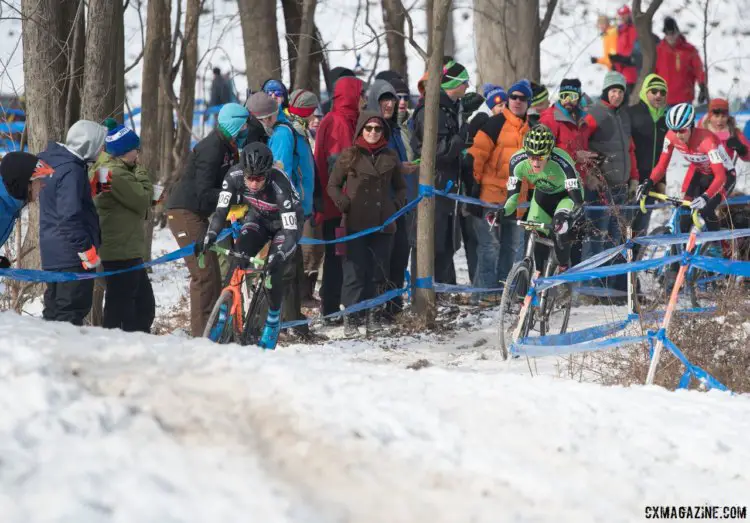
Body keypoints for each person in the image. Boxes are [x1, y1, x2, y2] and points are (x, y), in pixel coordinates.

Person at [196, 142, 303, 350]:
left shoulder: (279, 185)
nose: (253, 184)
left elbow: (290, 234)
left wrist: (279, 256)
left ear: (268, 175)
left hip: (286, 225)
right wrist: (209, 236)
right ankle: (223, 316)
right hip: (259, 218)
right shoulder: (233, 176)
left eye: (259, 179)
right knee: (238, 257)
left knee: (274, 268)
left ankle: (272, 319)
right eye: (249, 178)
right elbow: (220, 213)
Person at [166, 102, 252, 336]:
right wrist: (236, 196)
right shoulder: (212, 147)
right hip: (184, 213)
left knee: (213, 274)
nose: (246, 129)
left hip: (198, 214)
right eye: (244, 124)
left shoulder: (228, 147)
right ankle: (201, 335)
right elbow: (205, 192)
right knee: (203, 276)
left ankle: (215, 330)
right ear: (234, 124)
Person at [328, 111, 407, 336]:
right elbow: (333, 185)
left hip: (383, 225)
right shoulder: (349, 155)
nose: (373, 132)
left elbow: (401, 186)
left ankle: (374, 315)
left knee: (378, 272)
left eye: (378, 129)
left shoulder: (390, 156)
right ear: (361, 130)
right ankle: (351, 317)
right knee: (354, 272)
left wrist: (395, 204)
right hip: (354, 223)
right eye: (369, 128)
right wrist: (343, 203)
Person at [38, 120, 108, 325]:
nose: (103, 150)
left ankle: (48, 354)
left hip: (53, 252)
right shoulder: (72, 170)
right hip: (71, 255)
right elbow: (69, 216)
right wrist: (86, 250)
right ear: (90, 144)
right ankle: (62, 356)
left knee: (54, 311)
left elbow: (65, 204)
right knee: (69, 313)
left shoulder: (56, 163)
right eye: (101, 145)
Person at [468, 79, 531, 299]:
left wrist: (532, 193)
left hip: (518, 200)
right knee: (490, 247)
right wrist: (473, 189)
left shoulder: (530, 130)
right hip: (490, 199)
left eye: (522, 98)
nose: (517, 101)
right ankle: (483, 294)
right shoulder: (494, 124)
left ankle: (504, 295)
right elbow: (476, 156)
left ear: (528, 103)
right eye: (513, 97)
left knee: (512, 248)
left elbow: (534, 166)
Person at [410, 59, 469, 286]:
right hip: (432, 185)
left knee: (446, 244)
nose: (467, 87)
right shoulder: (431, 110)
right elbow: (434, 151)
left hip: (447, 187)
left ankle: (445, 292)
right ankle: (424, 296)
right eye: (464, 82)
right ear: (452, 83)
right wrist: (460, 138)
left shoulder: (450, 109)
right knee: (428, 245)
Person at [492, 125, 584, 271]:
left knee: (559, 229)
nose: (535, 162)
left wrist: (569, 218)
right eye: (531, 157)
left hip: (566, 197)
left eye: (541, 157)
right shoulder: (517, 162)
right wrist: (502, 212)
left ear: (549, 153)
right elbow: (512, 199)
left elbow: (578, 202)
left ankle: (563, 270)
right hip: (542, 197)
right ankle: (536, 276)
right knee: (534, 233)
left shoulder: (563, 162)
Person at [636, 103, 734, 232]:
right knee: (684, 214)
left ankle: (717, 247)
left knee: (706, 209)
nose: (678, 135)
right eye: (674, 130)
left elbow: (720, 176)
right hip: (701, 173)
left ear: (691, 126)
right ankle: (686, 250)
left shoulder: (707, 141)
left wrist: (705, 197)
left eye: (682, 130)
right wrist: (649, 182)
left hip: (725, 176)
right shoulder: (670, 137)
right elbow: (661, 166)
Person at [94, 125, 155, 333]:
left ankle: (128, 347)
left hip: (116, 247)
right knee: (130, 309)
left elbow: (105, 201)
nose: (138, 153)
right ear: (124, 151)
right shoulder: (117, 174)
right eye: (135, 149)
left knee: (130, 305)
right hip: (121, 250)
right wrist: (140, 171)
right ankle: (121, 351)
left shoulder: (102, 169)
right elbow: (142, 200)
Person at [583, 71, 640, 294]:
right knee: (597, 237)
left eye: (620, 91)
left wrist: (634, 177)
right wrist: (589, 175)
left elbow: (630, 149)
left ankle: (608, 288)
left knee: (615, 238)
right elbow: (581, 144)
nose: (616, 95)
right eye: (613, 91)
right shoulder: (594, 113)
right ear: (606, 91)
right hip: (600, 187)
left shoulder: (623, 116)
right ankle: (590, 288)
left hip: (621, 186)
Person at [313, 75, 364, 319]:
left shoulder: (344, 119)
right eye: (360, 93)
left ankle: (334, 305)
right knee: (337, 258)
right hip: (338, 205)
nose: (363, 99)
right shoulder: (339, 122)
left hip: (336, 202)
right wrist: (347, 203)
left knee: (339, 256)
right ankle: (332, 308)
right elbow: (340, 164)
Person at [367, 79, 416, 319]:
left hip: (401, 203)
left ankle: (394, 307)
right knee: (380, 260)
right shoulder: (372, 130)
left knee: (400, 254)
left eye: (392, 100)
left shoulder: (395, 129)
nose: (388, 104)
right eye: (384, 99)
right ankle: (376, 310)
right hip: (380, 206)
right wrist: (399, 168)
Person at [287, 89, 324, 308]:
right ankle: (298, 300)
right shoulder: (290, 133)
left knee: (310, 252)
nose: (315, 119)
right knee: (301, 253)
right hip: (295, 204)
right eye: (312, 113)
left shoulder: (301, 132)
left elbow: (310, 172)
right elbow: (285, 170)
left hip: (306, 202)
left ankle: (304, 296)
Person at [628, 74, 670, 241]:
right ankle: (618, 264)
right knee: (624, 227)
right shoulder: (631, 114)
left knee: (641, 229)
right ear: (645, 92)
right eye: (654, 91)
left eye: (662, 92)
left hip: (652, 181)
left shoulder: (666, 119)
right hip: (631, 181)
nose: (658, 95)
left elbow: (665, 153)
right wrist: (630, 178)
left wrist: (662, 180)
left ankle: (636, 264)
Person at [0, 152, 54, 268]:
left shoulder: (9, 205)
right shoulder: (2, 206)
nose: (43, 185)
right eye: (38, 180)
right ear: (26, 184)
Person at [655, 17, 707, 106]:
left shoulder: (689, 50)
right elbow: (653, 72)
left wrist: (702, 87)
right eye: (667, 33)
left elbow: (698, 69)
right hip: (663, 100)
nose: (670, 36)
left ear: (677, 32)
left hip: (684, 99)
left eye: (672, 33)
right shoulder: (658, 50)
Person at [698, 98, 750, 165]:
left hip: (725, 171)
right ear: (709, 117)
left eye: (723, 116)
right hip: (703, 171)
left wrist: (742, 149)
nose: (720, 120)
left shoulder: (733, 133)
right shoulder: (701, 130)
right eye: (716, 116)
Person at [609, 5, 637, 100]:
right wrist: (615, 63)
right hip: (621, 74)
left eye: (625, 15)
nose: (623, 17)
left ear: (629, 14)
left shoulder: (634, 29)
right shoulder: (620, 31)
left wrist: (622, 59)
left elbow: (634, 53)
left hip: (632, 74)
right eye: (621, 15)